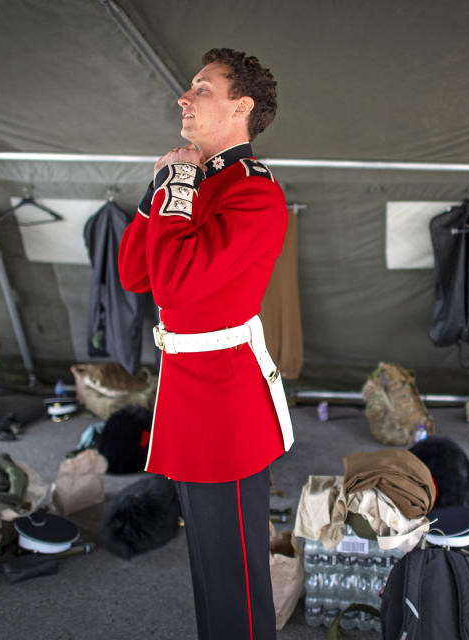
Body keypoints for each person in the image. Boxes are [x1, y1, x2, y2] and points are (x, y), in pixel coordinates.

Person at [118, 48, 293, 640]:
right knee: (208, 561)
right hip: (187, 388)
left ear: (241, 107)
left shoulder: (254, 192)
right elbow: (132, 274)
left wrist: (179, 183)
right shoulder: (195, 181)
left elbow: (172, 281)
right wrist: (162, 190)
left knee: (234, 574)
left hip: (225, 397)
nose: (183, 98)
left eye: (202, 89)